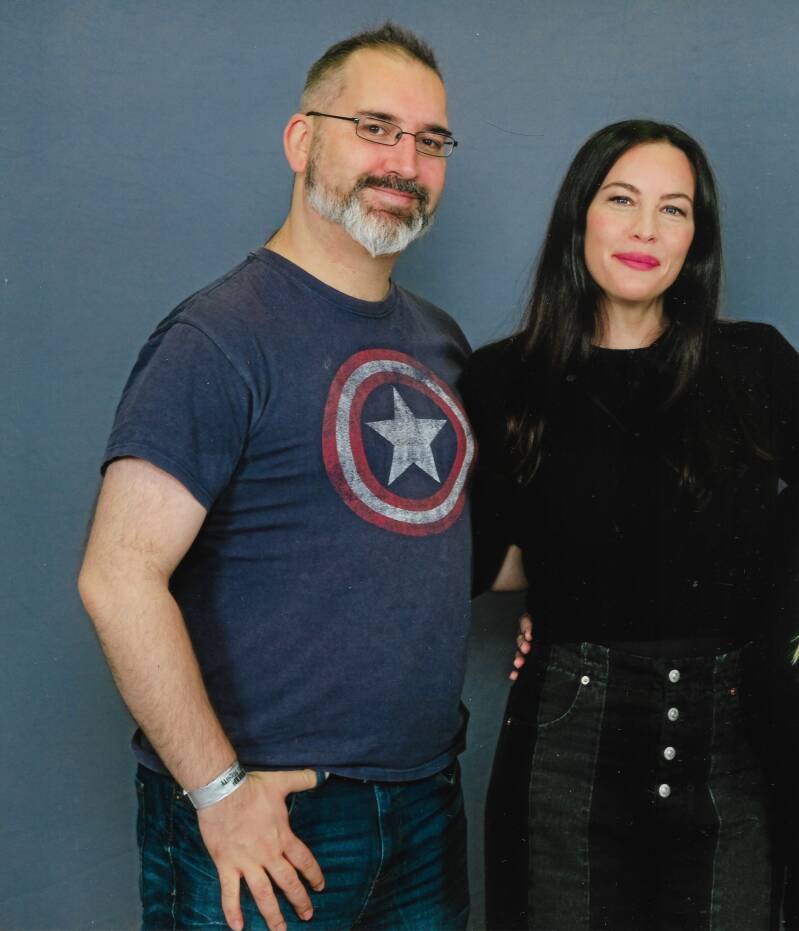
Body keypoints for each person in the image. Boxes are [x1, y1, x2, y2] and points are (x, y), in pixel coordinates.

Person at [78, 23, 474, 931]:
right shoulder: (219, 336)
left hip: (426, 805)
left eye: (430, 140)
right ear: (302, 140)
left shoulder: (439, 342)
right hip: (273, 819)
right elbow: (117, 574)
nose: (404, 161)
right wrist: (219, 794)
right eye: (374, 128)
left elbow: (435, 541)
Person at [460, 119, 799, 930]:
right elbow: (478, 557)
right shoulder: (506, 377)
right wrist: (560, 588)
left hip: (736, 737)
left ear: (695, 238)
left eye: (672, 209)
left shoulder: (754, 363)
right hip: (567, 736)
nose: (645, 228)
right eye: (621, 199)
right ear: (579, 215)